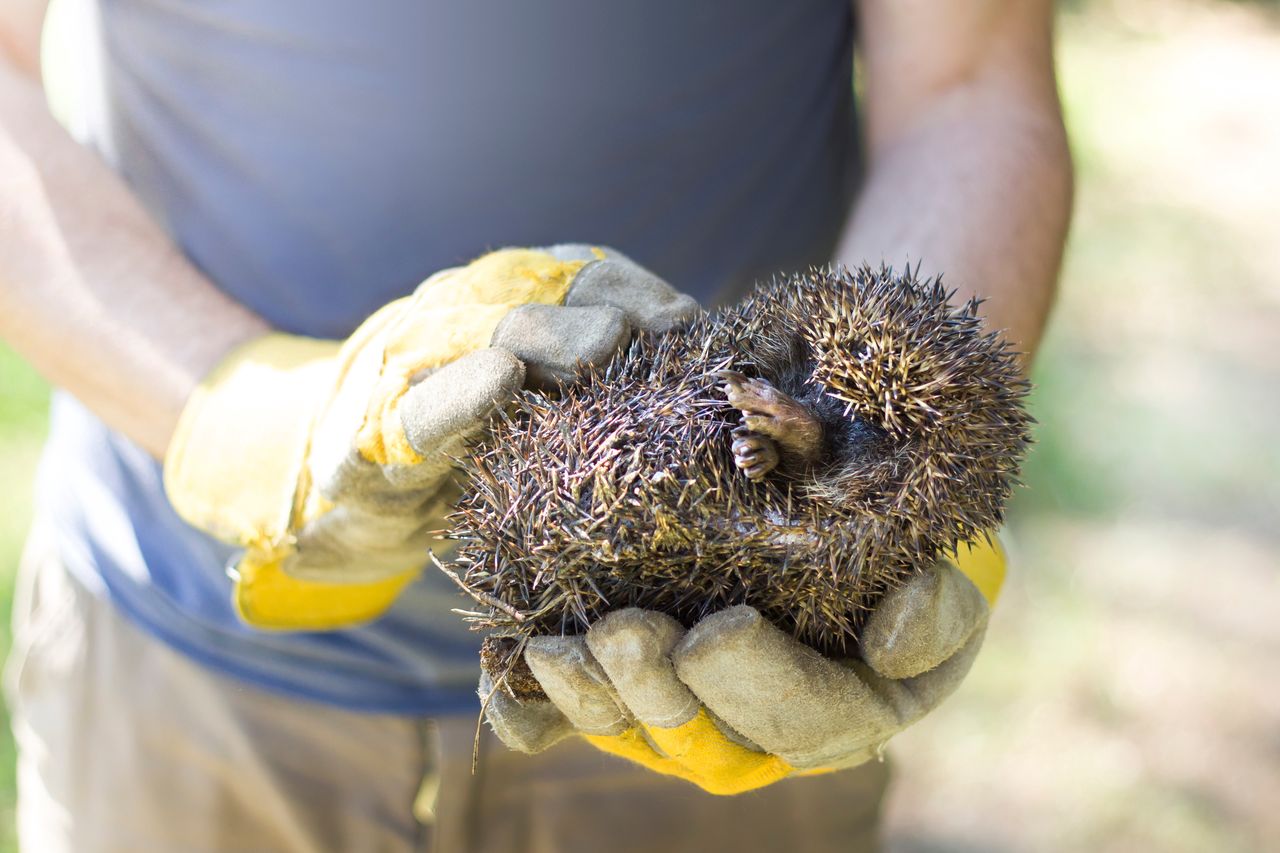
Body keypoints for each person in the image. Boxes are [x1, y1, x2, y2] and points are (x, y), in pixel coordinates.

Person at [0, 0, 1072, 850]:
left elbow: (968, 83)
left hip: (733, 676)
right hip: (175, 662)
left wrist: (901, 468)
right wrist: (234, 411)